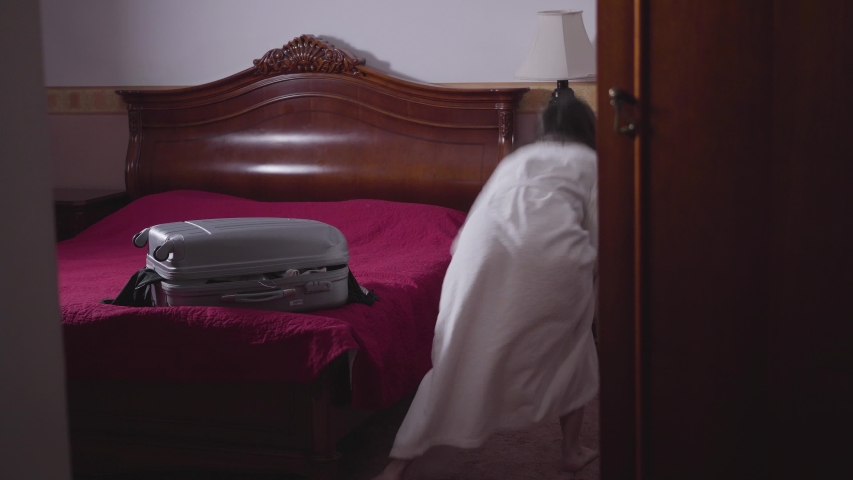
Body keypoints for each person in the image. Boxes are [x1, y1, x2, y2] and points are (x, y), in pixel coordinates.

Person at [373, 91, 600, 479]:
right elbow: (598, 233)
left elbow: (478, 217)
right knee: (574, 347)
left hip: (481, 250)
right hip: (552, 254)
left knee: (455, 355)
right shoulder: (592, 163)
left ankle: (397, 466)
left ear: (544, 129)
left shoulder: (515, 160)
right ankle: (572, 451)